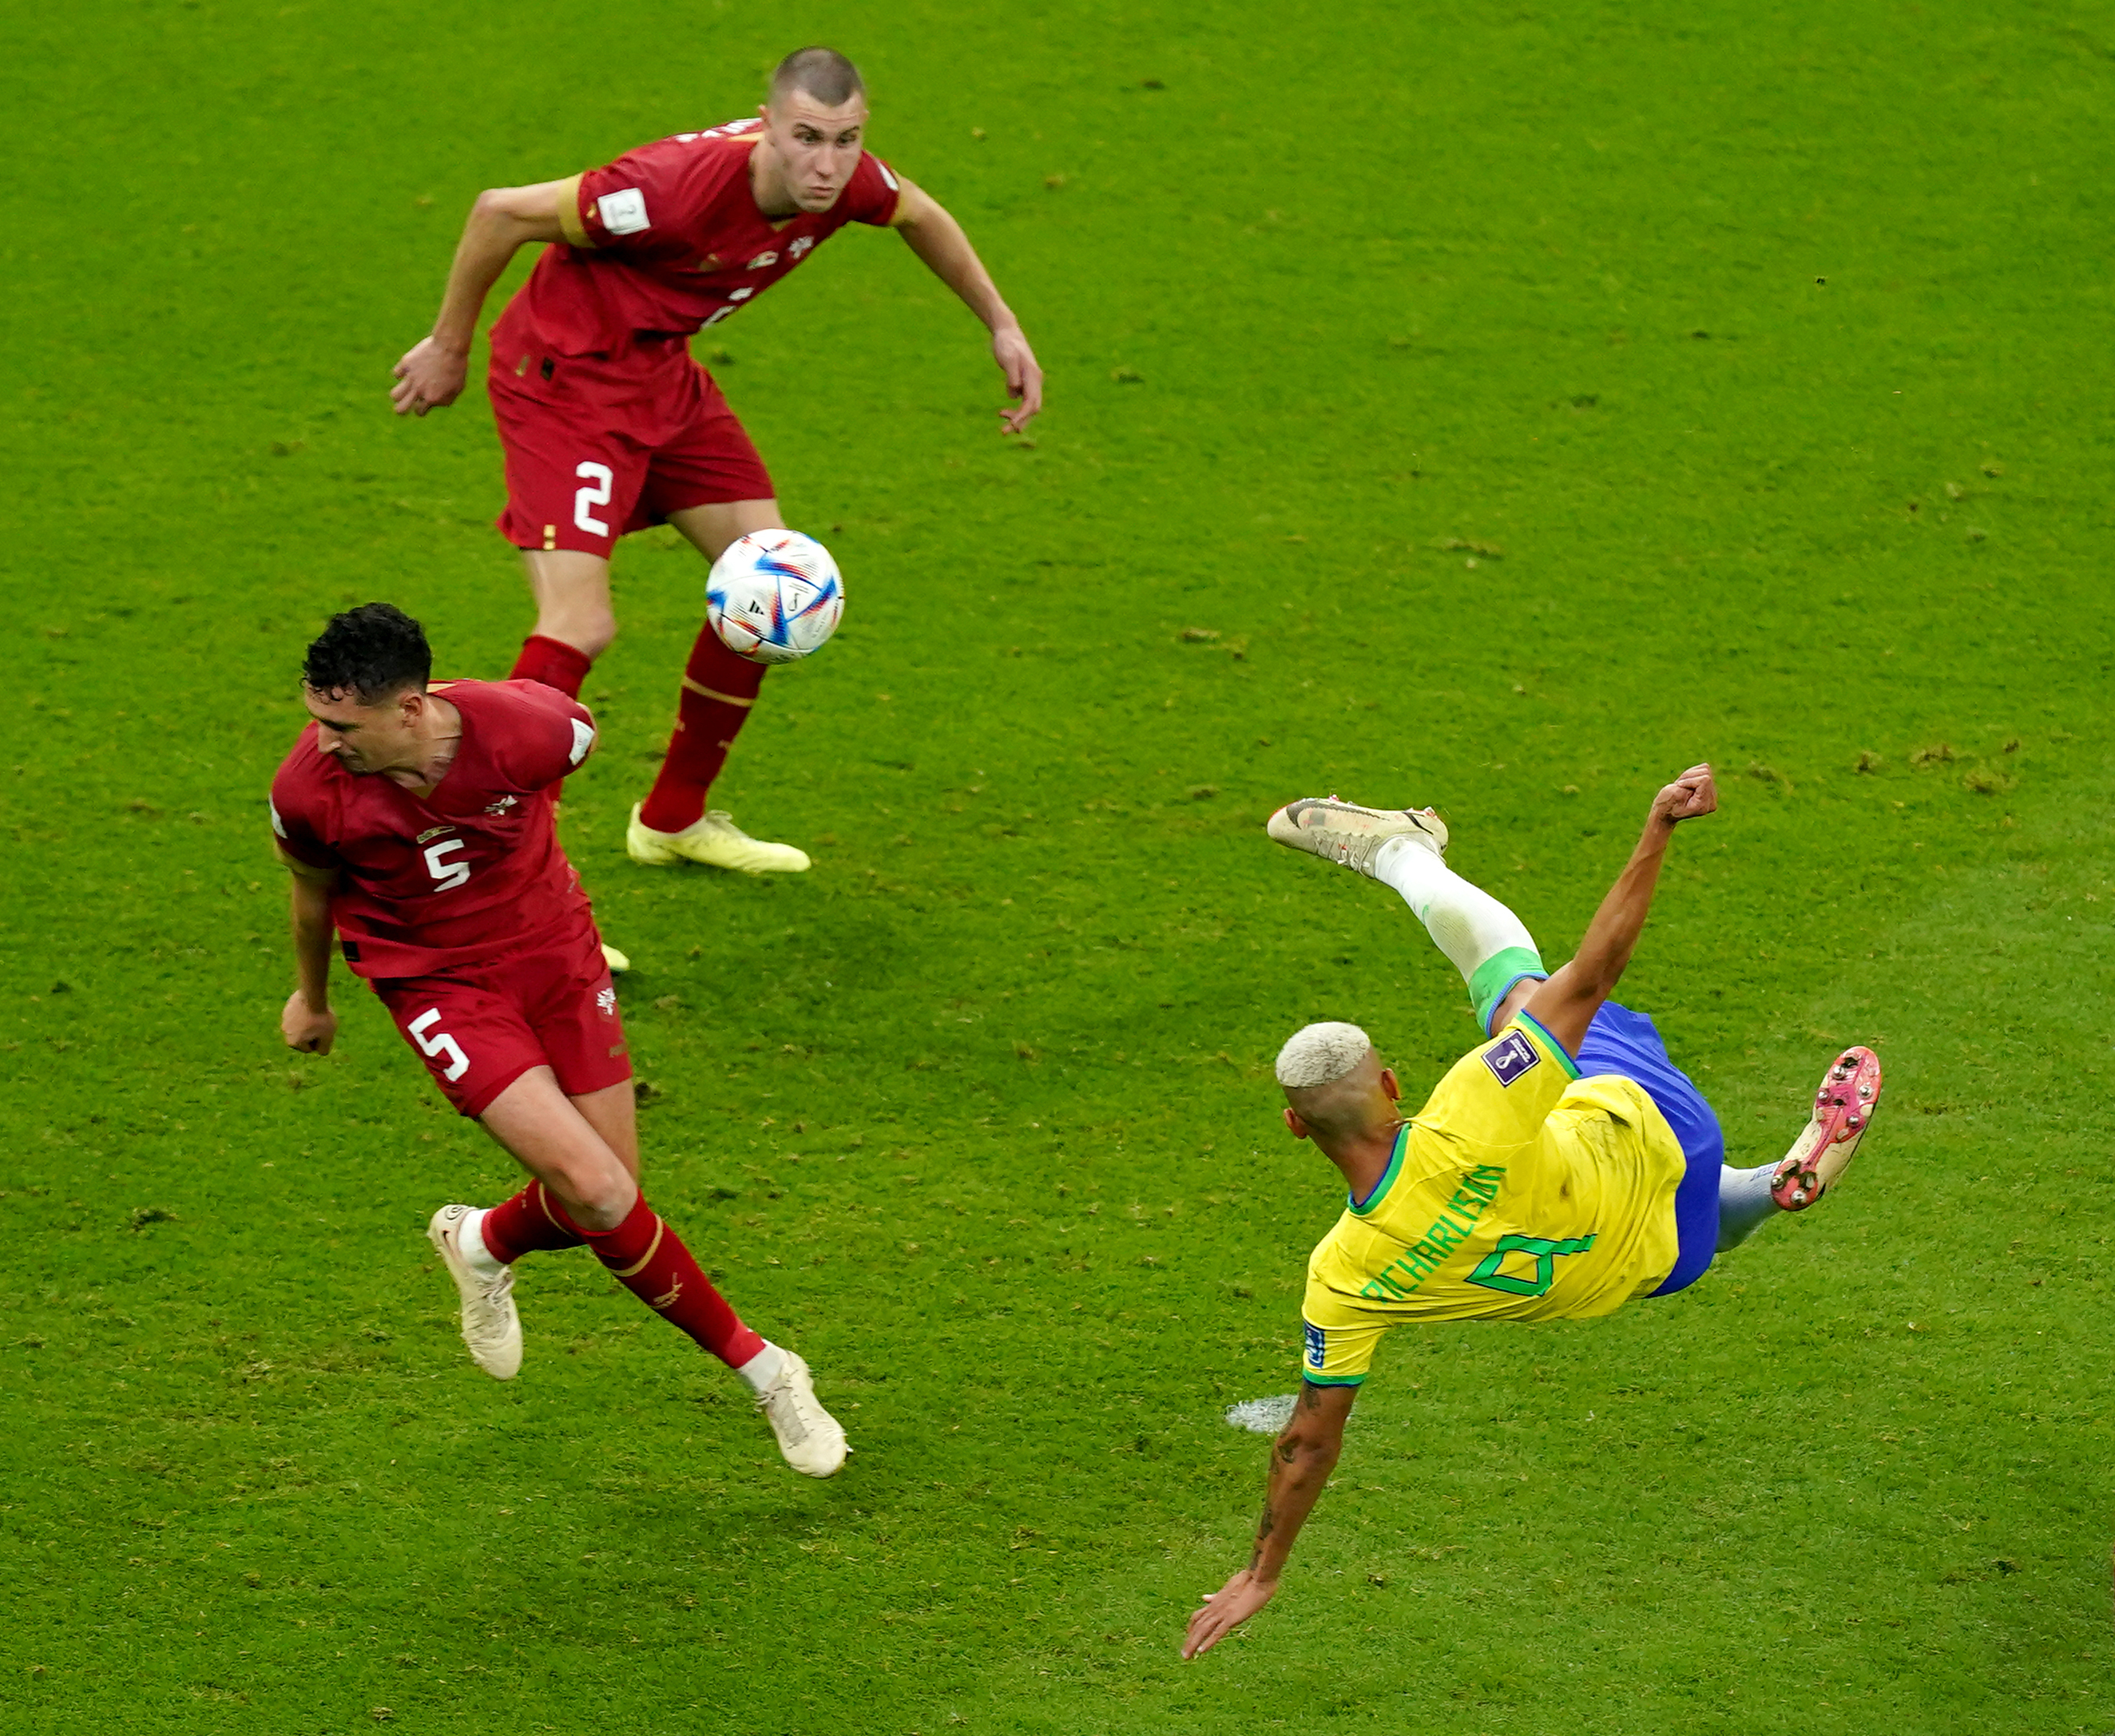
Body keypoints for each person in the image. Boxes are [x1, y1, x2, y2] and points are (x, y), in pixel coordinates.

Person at [1179, 771, 1884, 1659]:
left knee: (1684, 1226)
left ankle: (1767, 1186)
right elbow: (1593, 972)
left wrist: (1263, 1570)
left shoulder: (1342, 1279)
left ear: (1294, 1126)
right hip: (1665, 1134)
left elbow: (1306, 1440)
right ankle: (1402, 851)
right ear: (1392, 1085)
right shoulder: (1472, 1107)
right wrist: (1656, 828)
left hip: (1648, 1265)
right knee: (1517, 994)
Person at [387, 46, 1044, 877]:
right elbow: (497, 213)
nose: (828, 164)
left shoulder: (846, 184)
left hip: (661, 376)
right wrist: (447, 349)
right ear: (765, 126)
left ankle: (671, 818)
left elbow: (918, 213)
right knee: (579, 624)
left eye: (845, 140)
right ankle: (499, 869)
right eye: (807, 137)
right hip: (566, 382)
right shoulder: (666, 190)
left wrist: (1000, 322)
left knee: (774, 589)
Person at [268, 602, 847, 1478]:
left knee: (605, 1200)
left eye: (344, 725)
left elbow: (568, 752)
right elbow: (312, 896)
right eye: (318, 719)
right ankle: (767, 1369)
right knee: (599, 1190)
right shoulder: (307, 791)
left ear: (412, 708)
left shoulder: (532, 730)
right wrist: (310, 1000)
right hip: (440, 985)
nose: (325, 741)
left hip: (557, 954)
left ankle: (480, 1242)